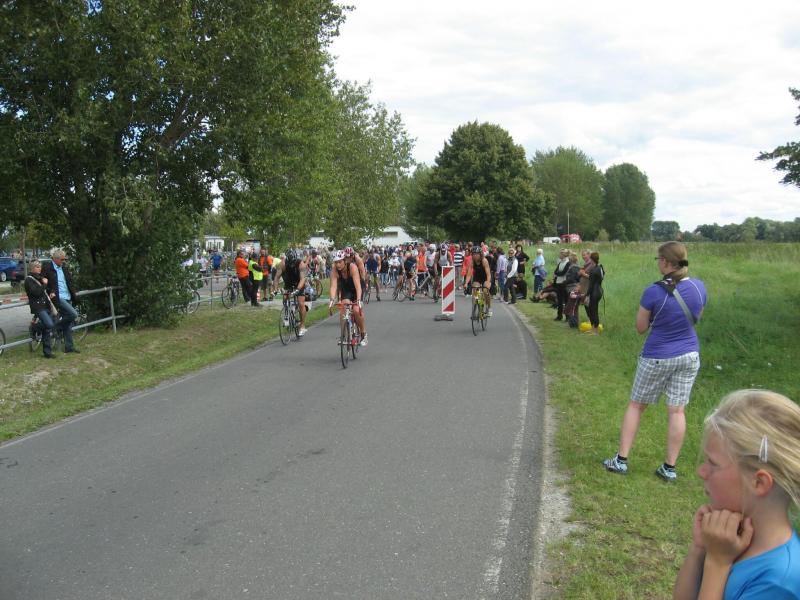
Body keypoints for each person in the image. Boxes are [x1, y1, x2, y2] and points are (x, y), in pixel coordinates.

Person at [673, 389, 800, 599]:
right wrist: (699, 550)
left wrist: (717, 564)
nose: (701, 472)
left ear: (759, 483)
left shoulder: (779, 582)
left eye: (713, 463)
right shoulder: (726, 538)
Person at [603, 241, 707, 481]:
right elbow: (696, 317)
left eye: (658, 259)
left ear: (665, 262)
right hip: (689, 355)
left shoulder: (653, 292)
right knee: (677, 410)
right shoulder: (699, 287)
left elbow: (640, 327)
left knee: (636, 406)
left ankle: (621, 460)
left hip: (657, 355)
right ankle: (669, 467)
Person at [42, 249, 81, 353]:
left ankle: (69, 347)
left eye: (64, 259)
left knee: (68, 323)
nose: (63, 261)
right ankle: (55, 327)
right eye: (62, 259)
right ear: (55, 259)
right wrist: (50, 291)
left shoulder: (64, 268)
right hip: (58, 297)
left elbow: (69, 281)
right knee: (73, 314)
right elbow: (43, 282)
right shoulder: (47, 267)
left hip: (67, 296)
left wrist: (74, 292)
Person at [328, 250, 367, 346]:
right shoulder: (334, 270)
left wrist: (358, 300)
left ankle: (363, 334)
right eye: (336, 262)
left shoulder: (352, 267)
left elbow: (358, 286)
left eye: (340, 262)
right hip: (346, 289)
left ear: (345, 261)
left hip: (357, 288)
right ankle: (343, 335)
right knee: (343, 306)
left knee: (356, 310)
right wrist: (332, 300)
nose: (338, 265)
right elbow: (333, 286)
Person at [272, 248, 310, 336]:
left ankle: (302, 325)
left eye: (293, 262)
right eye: (290, 263)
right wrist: (275, 289)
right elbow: (276, 278)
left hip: (299, 283)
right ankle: (287, 315)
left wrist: (298, 289)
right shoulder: (282, 264)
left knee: (300, 303)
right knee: (285, 298)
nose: (291, 264)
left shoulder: (301, 264)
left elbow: (303, 279)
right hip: (288, 283)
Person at [24, 260, 56, 358]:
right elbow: (37, 292)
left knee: (47, 329)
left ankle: (47, 352)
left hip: (45, 305)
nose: (40, 269)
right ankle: (34, 327)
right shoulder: (29, 279)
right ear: (32, 268)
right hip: (38, 306)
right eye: (37, 267)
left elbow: (46, 289)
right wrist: (44, 284)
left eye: (40, 267)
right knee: (49, 324)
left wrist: (52, 291)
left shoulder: (40, 278)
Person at [466, 246, 492, 316]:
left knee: (485, 291)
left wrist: (488, 282)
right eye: (474, 254)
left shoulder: (484, 261)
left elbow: (488, 274)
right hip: (477, 277)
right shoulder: (472, 261)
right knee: (475, 289)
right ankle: (476, 304)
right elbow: (469, 274)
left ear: (480, 254)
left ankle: (489, 307)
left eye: (477, 254)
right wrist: (466, 283)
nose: (475, 255)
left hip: (485, 277)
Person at [584, 251, 605, 335]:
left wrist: (587, 295)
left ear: (592, 259)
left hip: (594, 292)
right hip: (599, 291)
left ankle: (595, 331)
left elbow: (591, 285)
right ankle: (593, 328)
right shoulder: (600, 268)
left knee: (593, 311)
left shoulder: (593, 270)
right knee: (592, 310)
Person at [553, 249, 570, 321]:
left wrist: (557, 273)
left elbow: (563, 273)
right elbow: (555, 271)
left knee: (566, 300)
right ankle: (559, 316)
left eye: (561, 253)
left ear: (564, 254)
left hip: (564, 283)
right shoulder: (560, 262)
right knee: (559, 300)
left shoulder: (568, 262)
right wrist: (557, 273)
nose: (560, 255)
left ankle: (567, 316)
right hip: (558, 282)